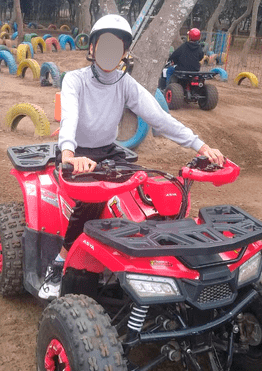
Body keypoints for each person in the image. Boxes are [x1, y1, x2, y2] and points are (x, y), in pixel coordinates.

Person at [44, 15, 224, 299]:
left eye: (117, 48)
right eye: (103, 46)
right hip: (77, 153)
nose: (109, 53)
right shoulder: (75, 81)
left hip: (107, 151)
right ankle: (60, 261)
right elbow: (70, 118)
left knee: (146, 185)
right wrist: (69, 154)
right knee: (94, 198)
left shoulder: (125, 83)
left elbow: (160, 118)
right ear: (91, 48)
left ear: (125, 53)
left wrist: (200, 146)